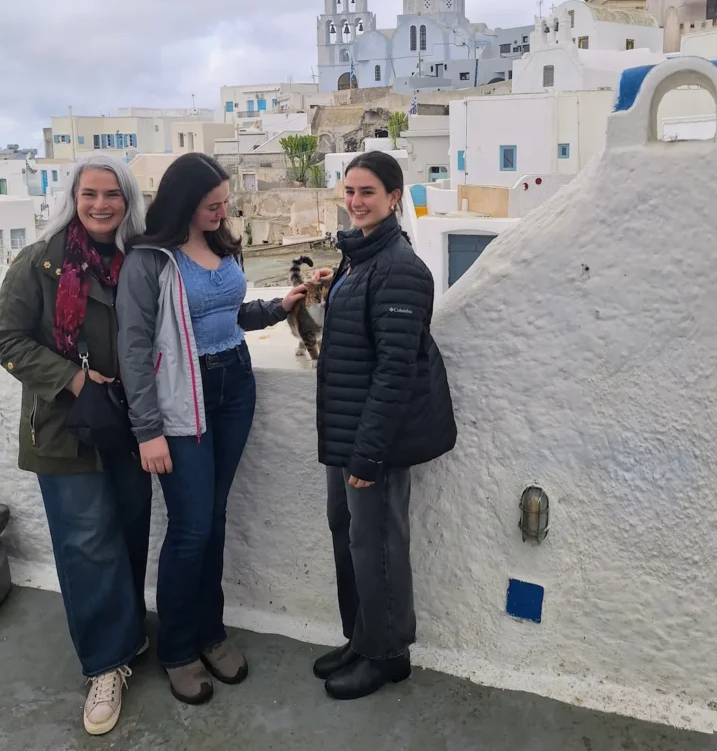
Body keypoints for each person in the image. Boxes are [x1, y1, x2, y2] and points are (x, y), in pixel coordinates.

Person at [116, 152, 306, 706]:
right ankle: (178, 647)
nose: (222, 212)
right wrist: (147, 429)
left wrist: (277, 307)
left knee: (215, 518)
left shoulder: (222, 243)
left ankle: (210, 632)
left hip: (236, 386)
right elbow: (133, 348)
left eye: (225, 203)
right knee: (192, 526)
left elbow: (229, 312)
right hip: (182, 398)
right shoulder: (149, 261)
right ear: (183, 204)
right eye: (212, 205)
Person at [0, 155, 151, 736]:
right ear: (73, 196)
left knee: (130, 529)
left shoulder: (138, 259)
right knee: (86, 544)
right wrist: (75, 379)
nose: (101, 205)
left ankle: (128, 633)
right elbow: (7, 338)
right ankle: (105, 665)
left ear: (127, 198)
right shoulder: (37, 262)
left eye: (112, 194)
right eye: (90, 193)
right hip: (63, 430)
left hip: (129, 426)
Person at [311, 150, 457, 700]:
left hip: (373, 441)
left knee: (378, 545)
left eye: (367, 192)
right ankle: (361, 638)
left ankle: (388, 654)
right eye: (349, 191)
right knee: (348, 536)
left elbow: (396, 371)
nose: (355, 202)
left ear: (395, 197)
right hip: (345, 433)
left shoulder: (399, 268)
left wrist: (368, 454)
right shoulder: (359, 257)